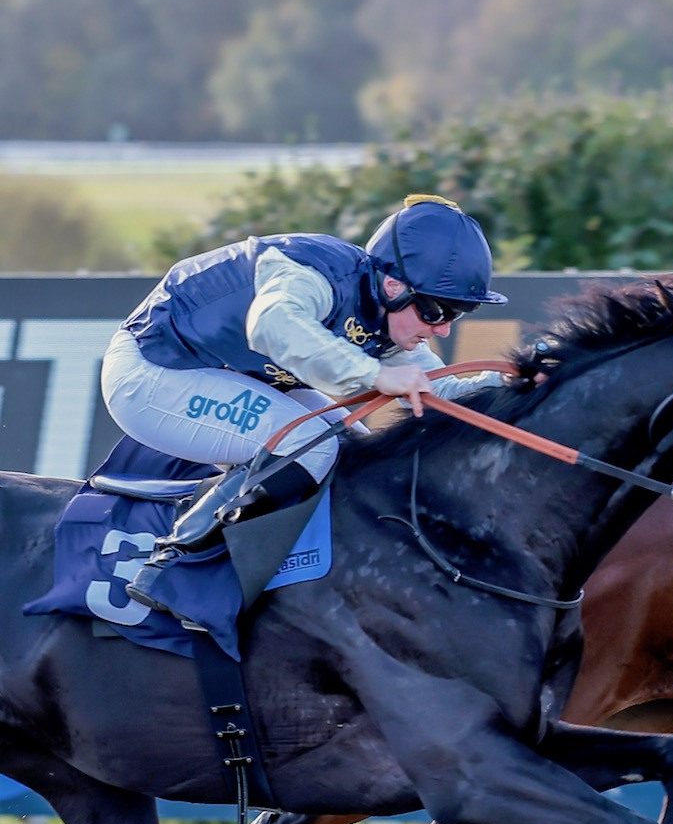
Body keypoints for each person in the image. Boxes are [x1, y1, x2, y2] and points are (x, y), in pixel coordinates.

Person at [104, 193, 508, 614]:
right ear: (394, 286)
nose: (442, 330)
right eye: (437, 311)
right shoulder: (311, 272)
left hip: (231, 371)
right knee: (313, 444)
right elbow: (273, 326)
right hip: (154, 371)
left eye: (457, 314)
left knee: (355, 451)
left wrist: (521, 380)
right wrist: (374, 376)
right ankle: (176, 568)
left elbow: (439, 392)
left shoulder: (388, 314)